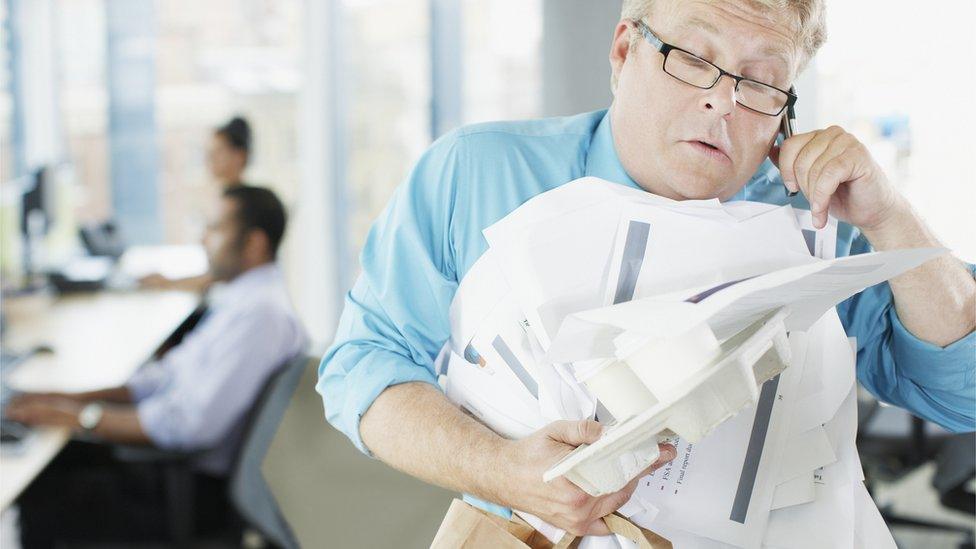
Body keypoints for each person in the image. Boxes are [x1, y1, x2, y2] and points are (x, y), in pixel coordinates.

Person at [318, 0, 976, 539]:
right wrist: (499, 468)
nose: (722, 102)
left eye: (759, 81)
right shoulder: (477, 171)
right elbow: (362, 368)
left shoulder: (815, 219)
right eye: (694, 58)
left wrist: (892, 216)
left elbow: (962, 392)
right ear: (624, 51)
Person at [7, 186, 307, 547]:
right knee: (58, 454)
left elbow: (186, 424)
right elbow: (165, 377)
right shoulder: (243, 300)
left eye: (215, 228)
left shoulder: (261, 316)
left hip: (188, 494)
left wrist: (81, 416)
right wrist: (69, 397)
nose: (203, 238)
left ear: (255, 243)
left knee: (45, 484)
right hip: (173, 472)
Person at [139, 116, 254, 292]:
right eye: (208, 153)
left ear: (240, 156)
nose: (209, 160)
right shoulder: (223, 200)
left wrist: (167, 283)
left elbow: (221, 275)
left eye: (218, 152)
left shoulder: (241, 208)